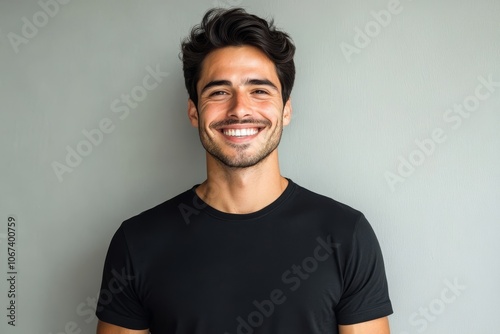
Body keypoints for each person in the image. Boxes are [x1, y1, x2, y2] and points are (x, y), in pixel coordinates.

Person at [96, 7, 393, 334]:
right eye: (219, 92)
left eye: (259, 90)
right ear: (194, 112)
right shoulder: (138, 242)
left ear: (286, 111)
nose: (239, 109)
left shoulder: (346, 235)